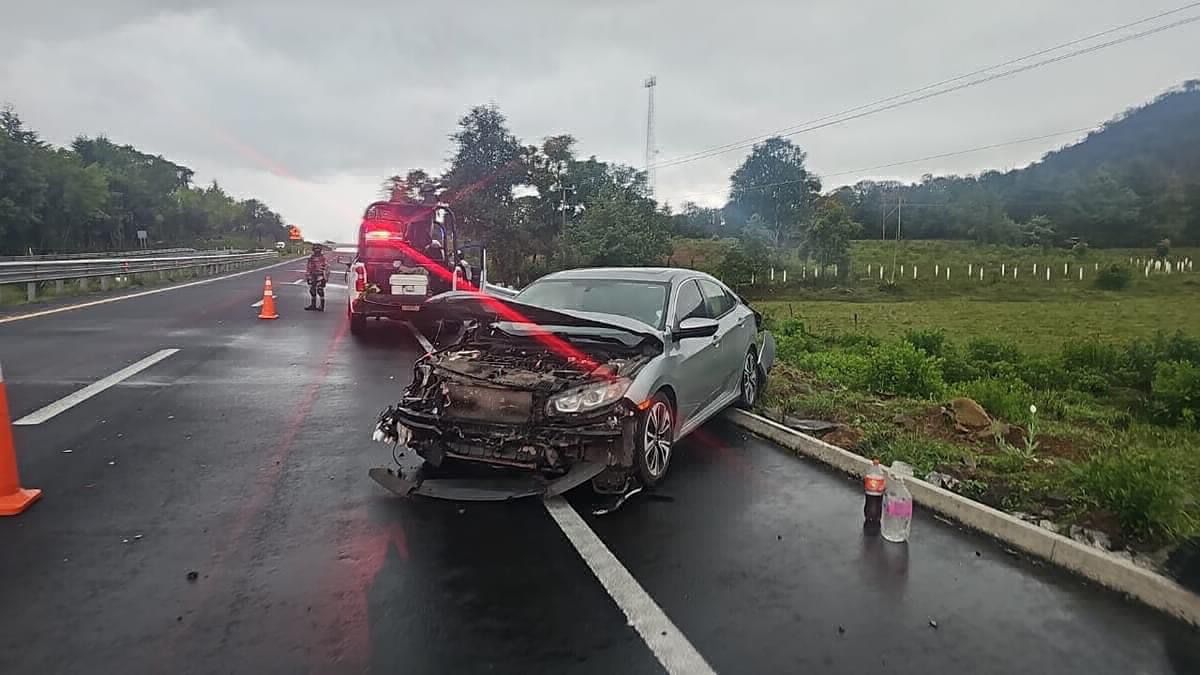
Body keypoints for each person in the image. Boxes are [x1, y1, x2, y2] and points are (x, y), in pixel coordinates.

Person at [305, 244, 330, 311]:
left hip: (320, 276)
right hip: (313, 276)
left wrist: (326, 277)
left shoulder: (323, 258)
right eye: (315, 249)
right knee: (312, 290)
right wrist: (308, 276)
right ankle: (313, 305)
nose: (316, 251)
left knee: (320, 290)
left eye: (318, 249)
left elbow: (327, 268)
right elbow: (308, 267)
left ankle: (322, 306)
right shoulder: (311, 258)